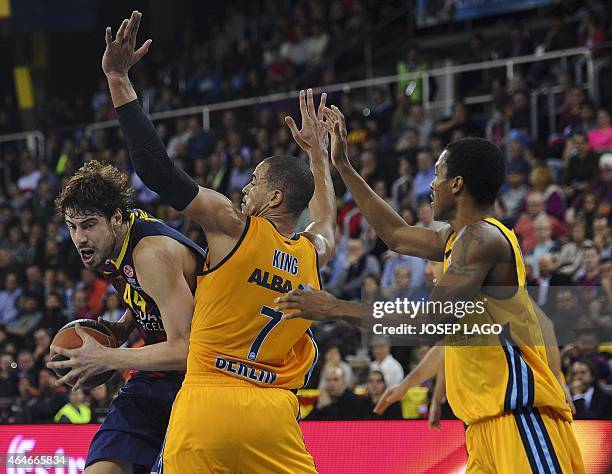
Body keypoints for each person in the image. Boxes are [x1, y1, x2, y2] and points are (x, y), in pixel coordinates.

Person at [277, 108, 585, 473]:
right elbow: (395, 235)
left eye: (437, 175)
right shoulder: (460, 238)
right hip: (483, 429)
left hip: (520, 423)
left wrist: (334, 308)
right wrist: (342, 165)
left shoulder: (482, 238)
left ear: (456, 184)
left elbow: (431, 322)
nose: (430, 185)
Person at [103, 12, 335, 473]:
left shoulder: (235, 226)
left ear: (273, 196)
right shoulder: (312, 252)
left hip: (208, 403)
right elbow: (325, 215)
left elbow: (158, 173)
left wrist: (117, 80)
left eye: (254, 181)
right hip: (272, 415)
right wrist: (317, 155)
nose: (244, 189)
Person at [49, 159, 206, 473]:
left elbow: (187, 350)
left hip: (204, 378)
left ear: (116, 218)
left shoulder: (151, 254)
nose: (79, 237)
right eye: (72, 226)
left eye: (89, 224)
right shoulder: (108, 245)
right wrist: (124, 326)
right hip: (157, 375)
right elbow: (148, 294)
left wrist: (107, 356)